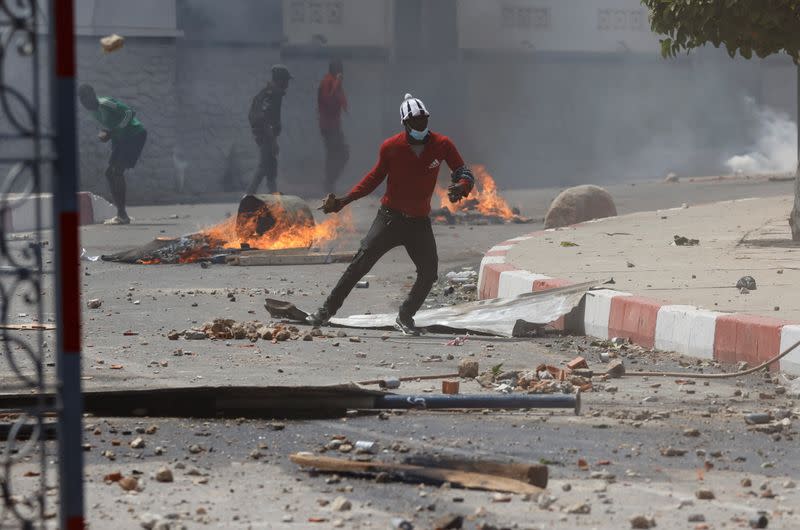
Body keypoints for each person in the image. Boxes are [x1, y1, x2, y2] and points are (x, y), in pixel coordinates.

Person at [307, 93, 474, 335]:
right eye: (416, 121)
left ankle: (405, 317)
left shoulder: (442, 144)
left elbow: (463, 171)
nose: (421, 125)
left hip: (419, 223)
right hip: (390, 219)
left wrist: (462, 187)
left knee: (428, 274)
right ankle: (324, 313)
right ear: (405, 123)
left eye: (424, 120)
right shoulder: (391, 147)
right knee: (358, 266)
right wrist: (345, 201)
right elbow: (373, 179)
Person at [78, 84, 147, 225]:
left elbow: (129, 112)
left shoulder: (105, 103)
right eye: (82, 100)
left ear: (93, 95)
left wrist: (111, 132)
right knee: (110, 173)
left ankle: (122, 215)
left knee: (117, 171)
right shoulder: (93, 111)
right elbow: (112, 126)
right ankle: (121, 214)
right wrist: (107, 134)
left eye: (87, 98)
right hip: (121, 139)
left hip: (134, 134)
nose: (86, 103)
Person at [247, 64, 292, 194]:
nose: (287, 84)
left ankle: (274, 197)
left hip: (266, 133)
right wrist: (273, 141)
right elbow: (265, 119)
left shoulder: (269, 92)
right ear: (280, 80)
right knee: (263, 167)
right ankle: (248, 196)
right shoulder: (273, 94)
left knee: (271, 167)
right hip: (266, 135)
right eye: (286, 80)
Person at [318, 58, 349, 193]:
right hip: (328, 126)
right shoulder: (328, 82)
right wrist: (336, 84)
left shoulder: (333, 82)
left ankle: (329, 183)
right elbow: (328, 102)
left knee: (337, 154)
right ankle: (328, 184)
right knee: (340, 154)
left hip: (333, 125)